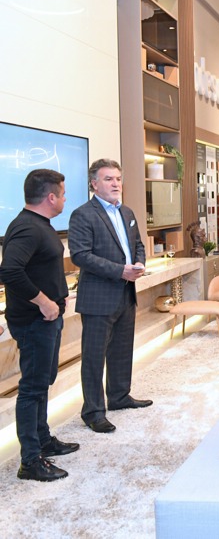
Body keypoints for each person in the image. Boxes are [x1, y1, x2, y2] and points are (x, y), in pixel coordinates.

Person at [0, 169, 78, 481]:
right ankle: (30, 461)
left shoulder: (38, 224)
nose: (65, 199)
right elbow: (10, 271)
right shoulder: (27, 227)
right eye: (63, 193)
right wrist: (44, 301)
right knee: (32, 388)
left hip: (47, 320)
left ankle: (43, 440)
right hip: (34, 321)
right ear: (51, 197)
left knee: (42, 382)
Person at [69, 159, 150, 435]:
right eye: (108, 179)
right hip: (98, 297)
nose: (116, 184)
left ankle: (119, 396)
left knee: (122, 349)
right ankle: (93, 412)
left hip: (126, 291)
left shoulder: (127, 211)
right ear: (94, 184)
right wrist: (120, 271)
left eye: (117, 178)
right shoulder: (83, 214)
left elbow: (138, 244)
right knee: (94, 357)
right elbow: (81, 255)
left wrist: (139, 263)